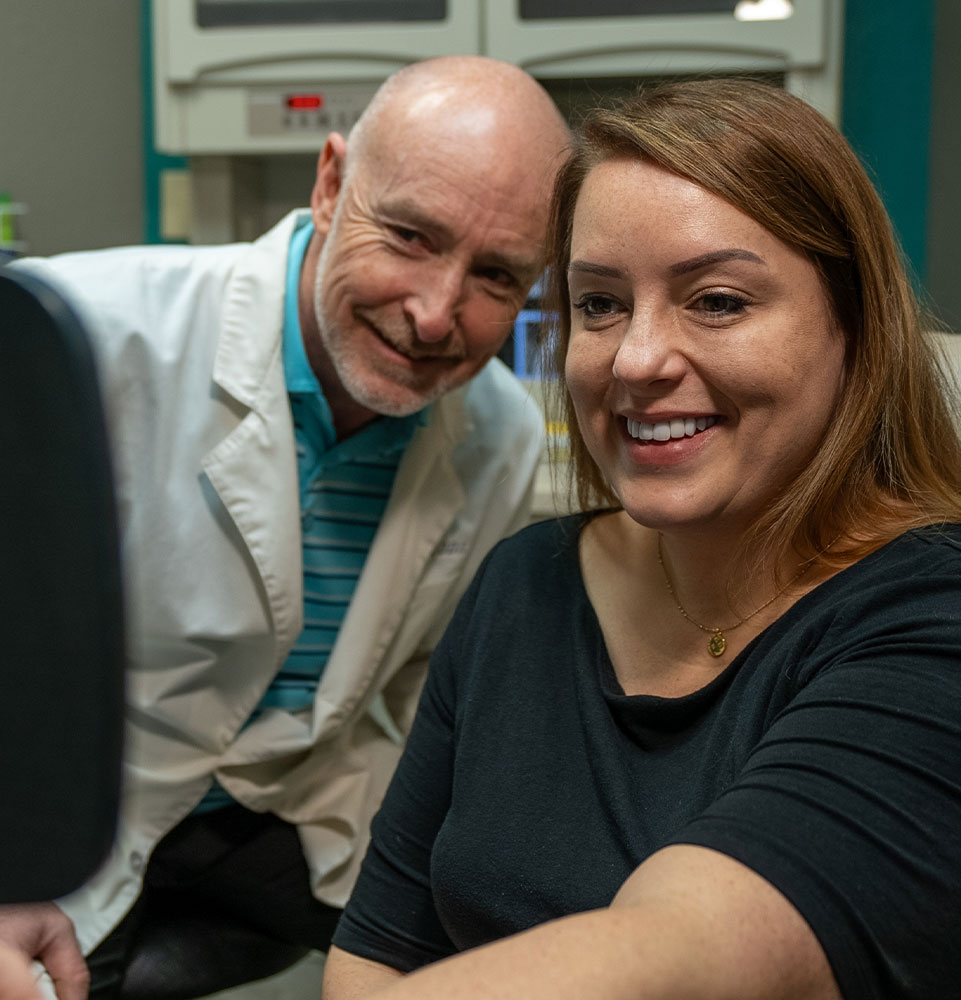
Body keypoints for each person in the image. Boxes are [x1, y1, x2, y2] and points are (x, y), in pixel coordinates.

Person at [322, 78, 961, 1000]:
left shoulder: (929, 624)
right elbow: (378, 949)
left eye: (717, 301)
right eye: (598, 305)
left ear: (854, 332)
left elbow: (685, 953)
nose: (634, 359)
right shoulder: (528, 582)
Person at [0, 56, 570, 999]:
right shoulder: (86, 334)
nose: (435, 314)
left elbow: (438, 692)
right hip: (86, 809)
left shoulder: (502, 433)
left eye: (496, 276)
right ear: (332, 182)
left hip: (297, 802)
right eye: (411, 235)